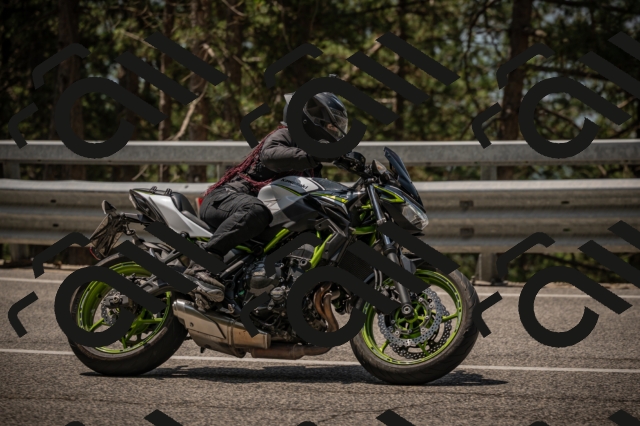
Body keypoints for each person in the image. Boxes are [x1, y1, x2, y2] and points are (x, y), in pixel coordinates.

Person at [184, 90, 349, 300]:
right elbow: (270, 155)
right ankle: (201, 265)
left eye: (336, 126)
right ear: (310, 120)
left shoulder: (311, 168)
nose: (333, 130)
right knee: (255, 210)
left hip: (254, 215)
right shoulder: (285, 135)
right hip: (225, 198)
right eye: (330, 125)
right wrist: (314, 153)